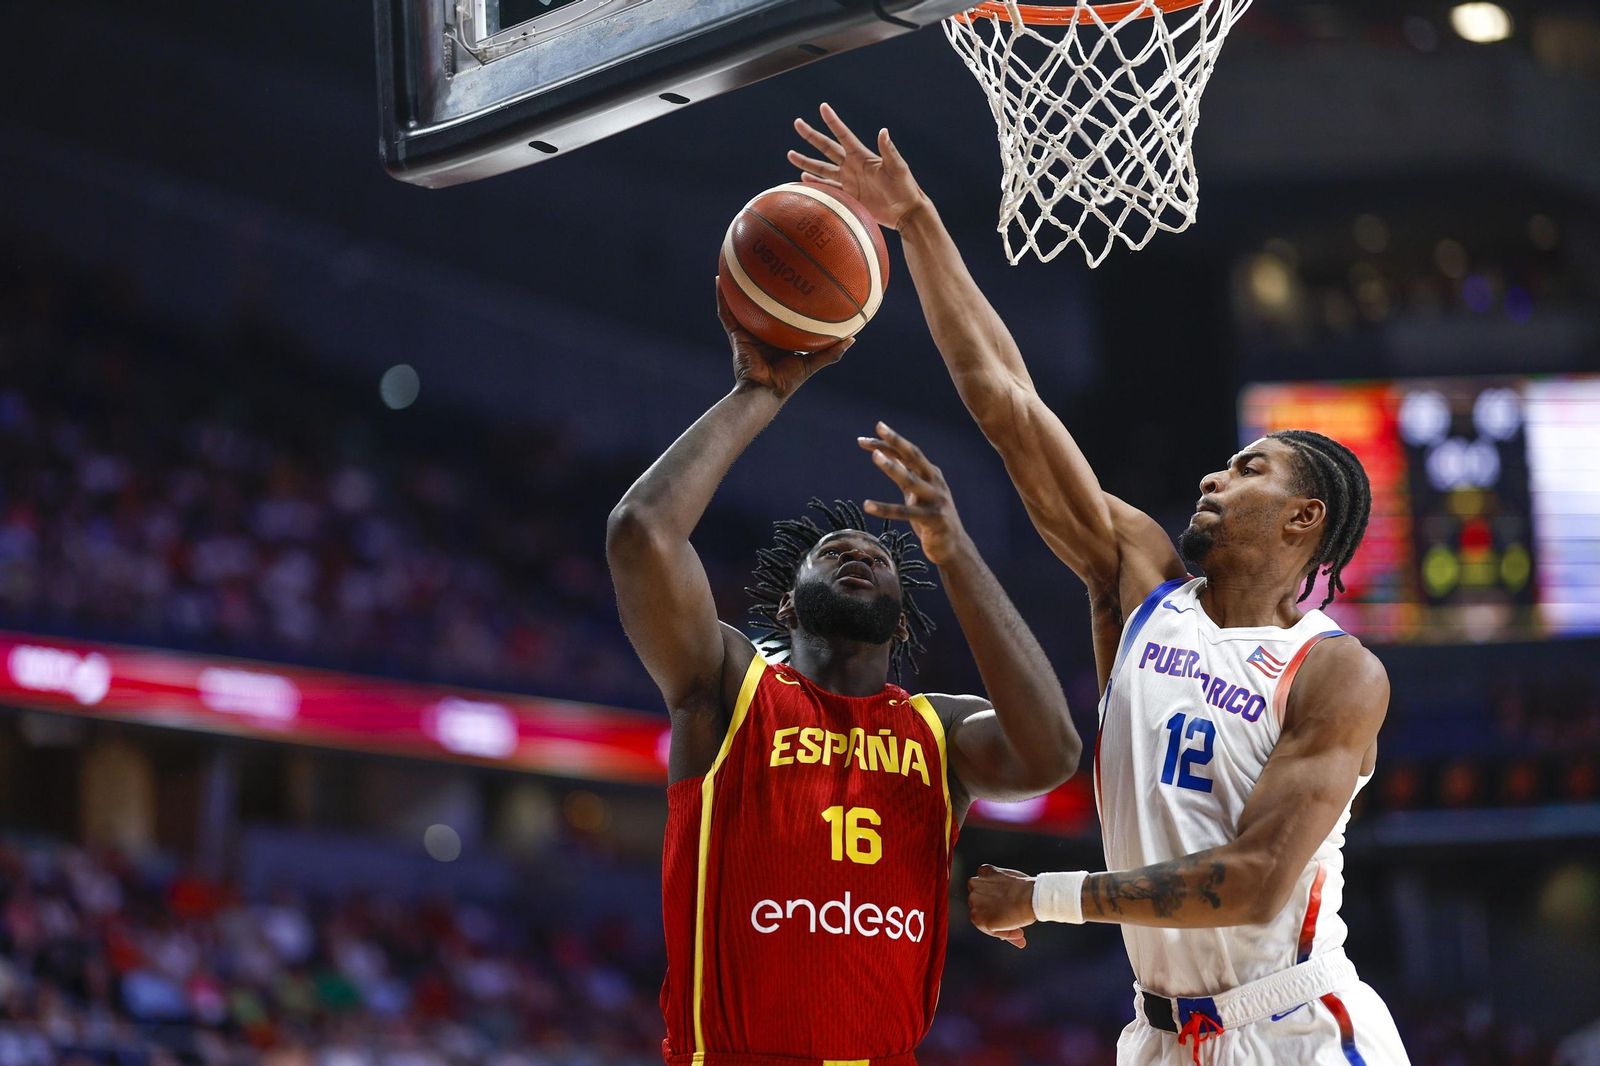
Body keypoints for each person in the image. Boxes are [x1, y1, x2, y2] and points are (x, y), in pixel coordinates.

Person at [787, 104, 1410, 1064]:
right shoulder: (1140, 579)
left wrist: (1040, 896)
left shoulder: (1334, 673)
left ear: (1305, 520)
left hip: (1294, 1031)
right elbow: (1006, 399)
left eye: (1249, 470)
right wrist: (917, 222)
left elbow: (1248, 881)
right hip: (1157, 1037)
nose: (1214, 476)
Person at [605, 291, 1082, 1065]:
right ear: (789, 605)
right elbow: (640, 534)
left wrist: (953, 551)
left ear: (900, 622)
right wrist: (758, 394)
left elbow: (1052, 753)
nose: (859, 552)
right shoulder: (729, 686)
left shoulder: (939, 730)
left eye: (882, 557)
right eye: (833, 552)